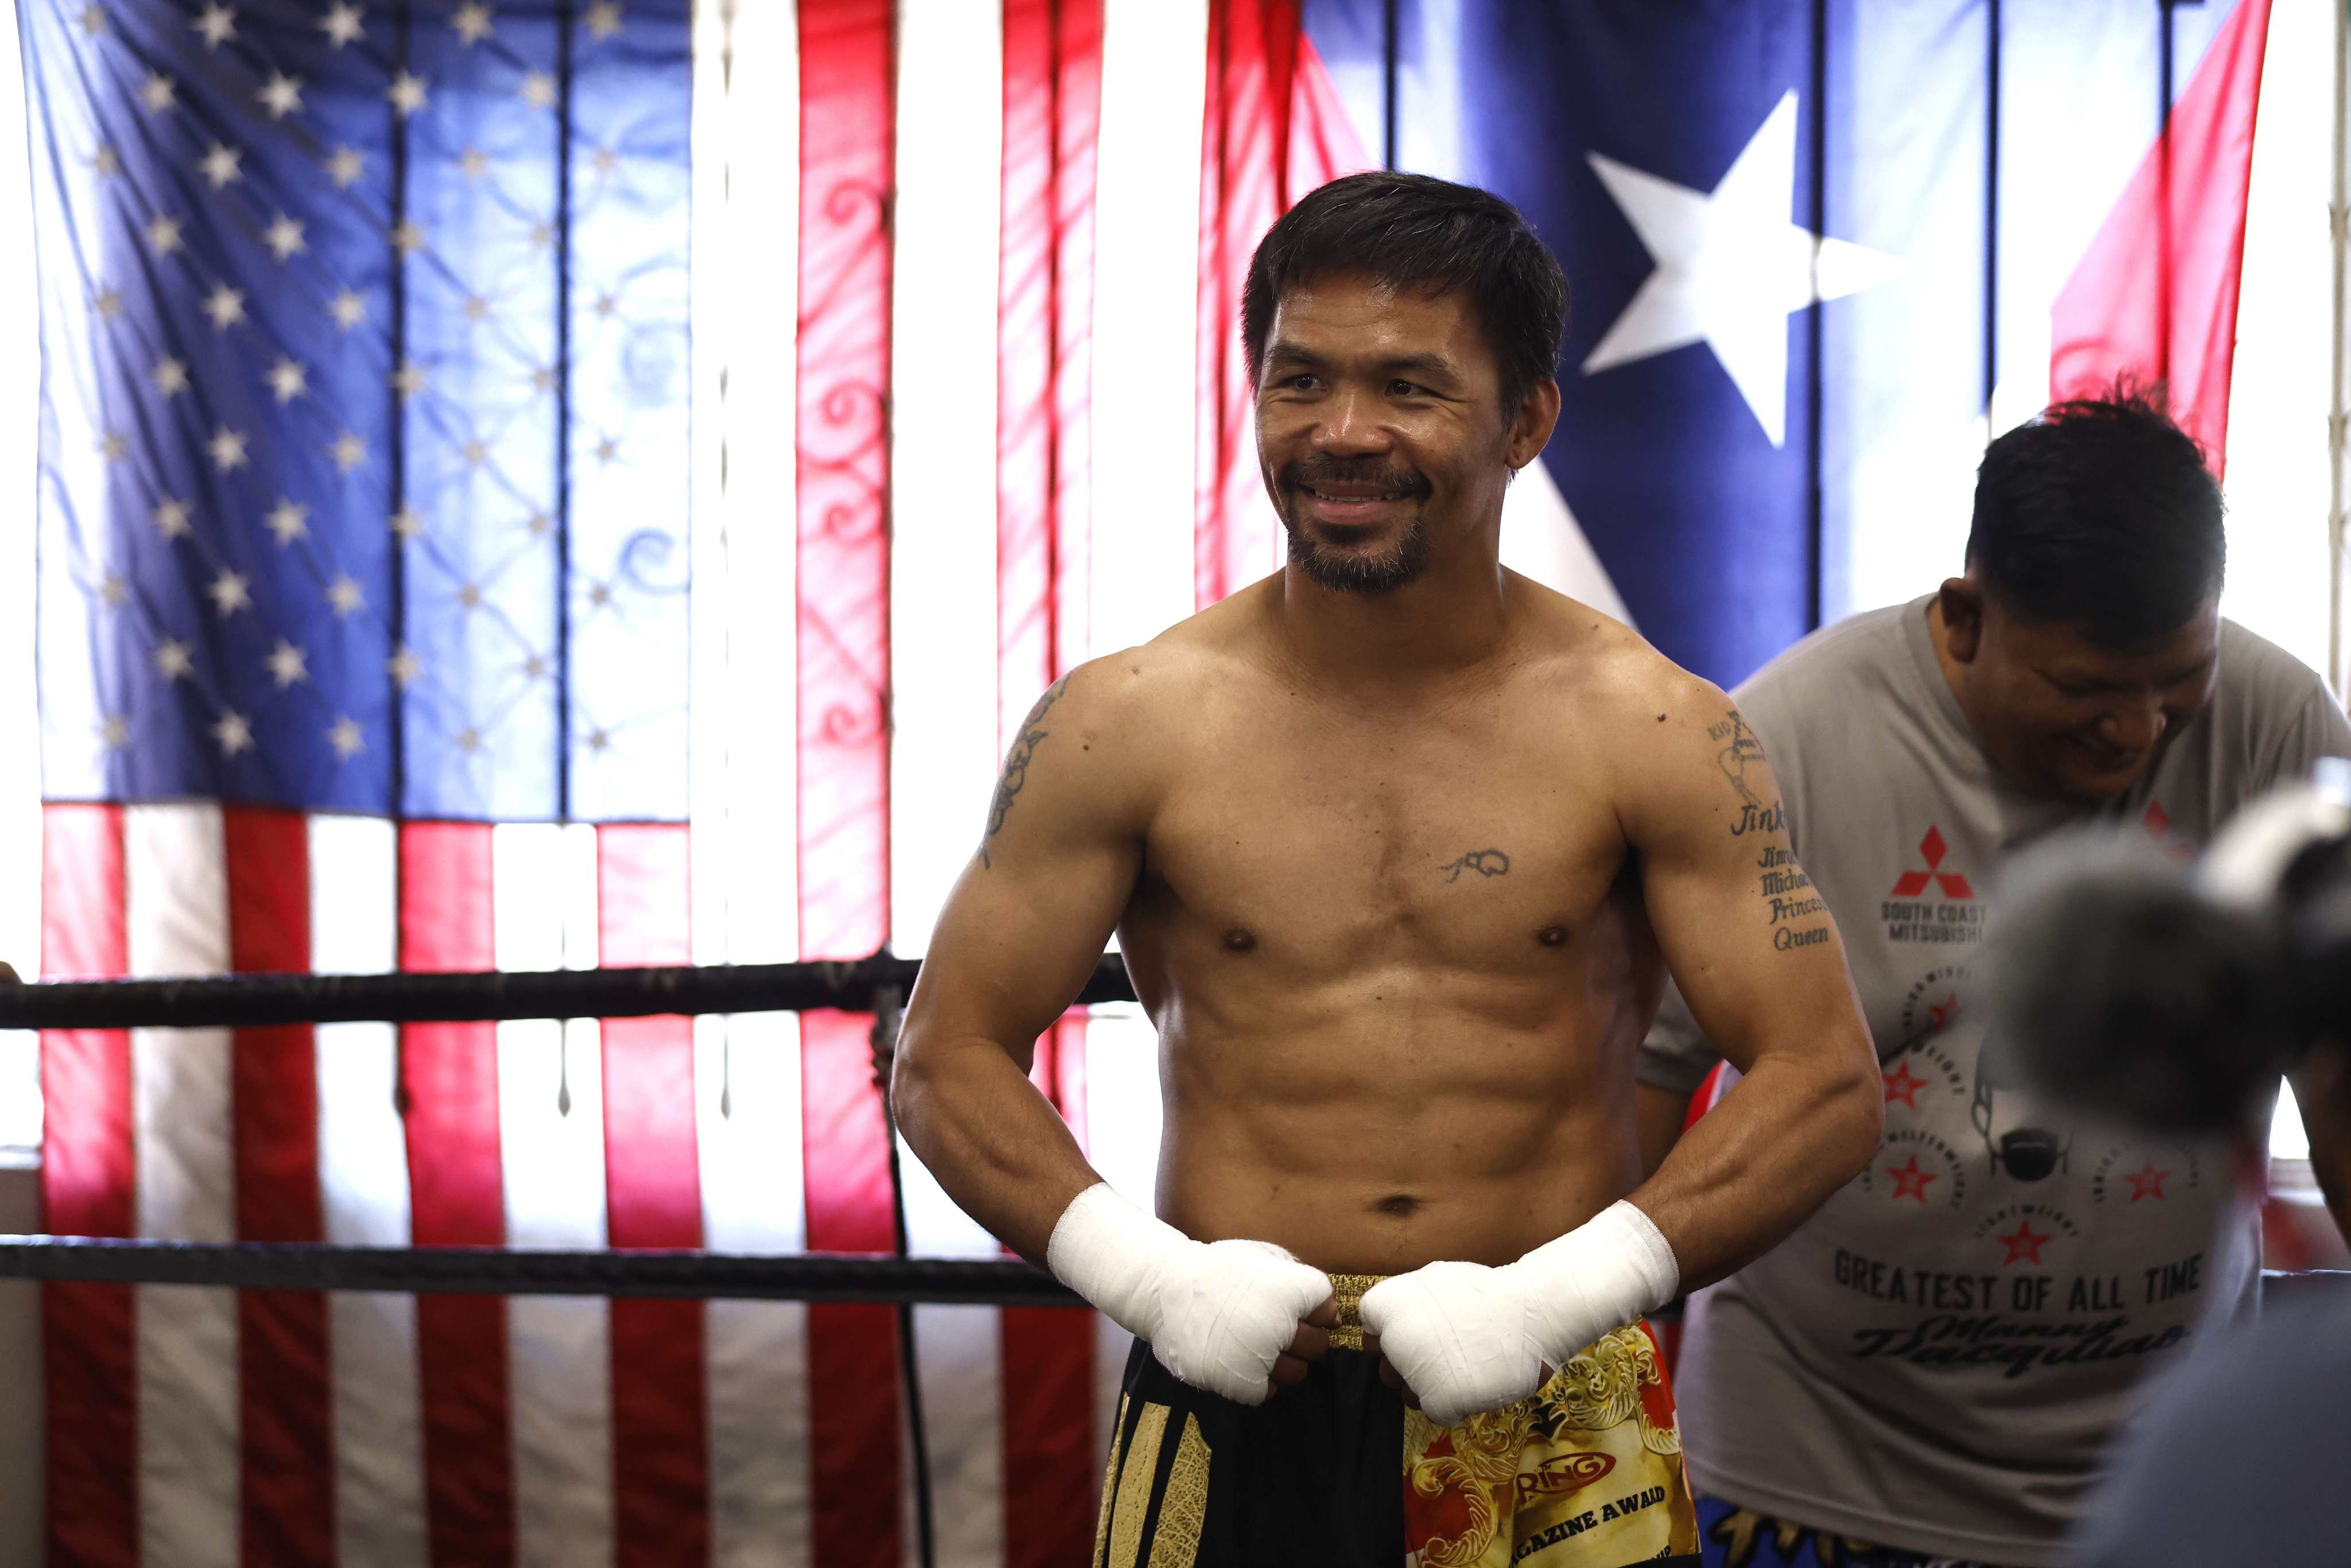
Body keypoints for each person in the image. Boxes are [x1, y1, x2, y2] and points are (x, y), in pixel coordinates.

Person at [891, 170, 1881, 1568]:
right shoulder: (1125, 720)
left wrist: (1564, 1292)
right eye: (1300, 380)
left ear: (1525, 418)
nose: (1342, 433)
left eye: (1408, 388)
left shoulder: (1654, 728)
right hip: (1230, 1371)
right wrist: (1148, 1277)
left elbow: (1823, 1081)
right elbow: (945, 1053)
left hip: (1549, 1386)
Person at [1635, 391, 2351, 1568]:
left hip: (2165, 1478)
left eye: (2174, 684)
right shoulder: (1783, 740)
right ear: (1963, 617)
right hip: (1809, 1473)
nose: (2134, 730)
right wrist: (1623, 1442)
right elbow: (1646, 1089)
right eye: (2086, 689)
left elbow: (2338, 1086)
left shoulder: (2274, 726)